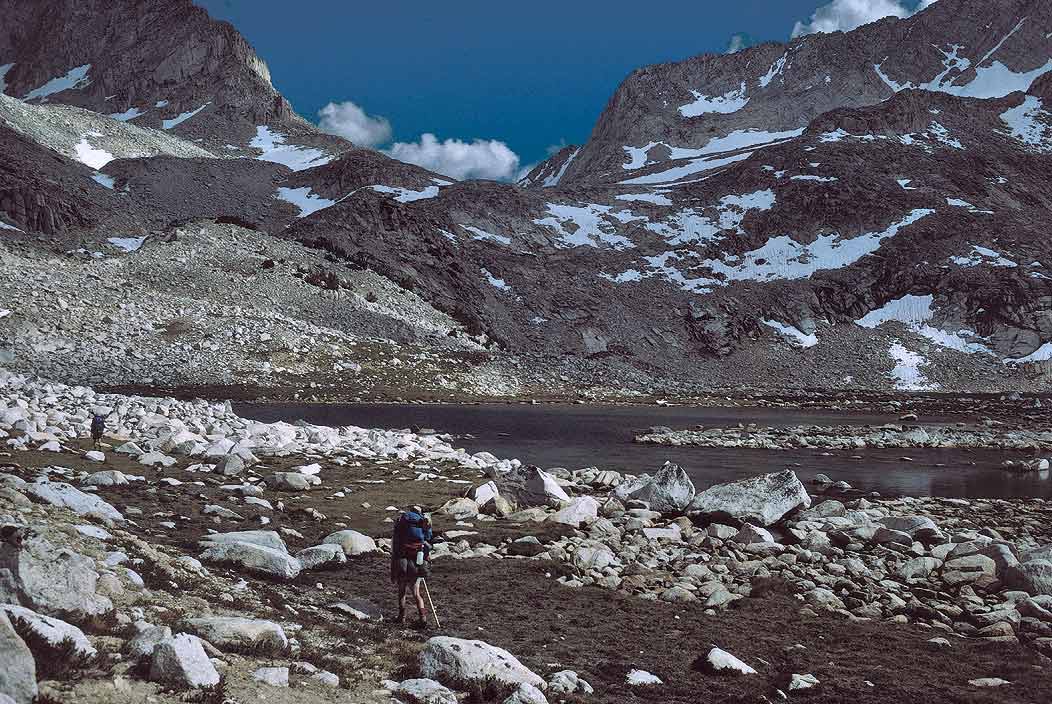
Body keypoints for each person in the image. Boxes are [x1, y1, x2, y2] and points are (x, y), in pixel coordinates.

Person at [390, 505, 433, 626]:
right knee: (416, 592)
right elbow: (428, 538)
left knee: (402, 590)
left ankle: (402, 616)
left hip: (402, 558)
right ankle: (422, 618)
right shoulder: (424, 521)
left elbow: (396, 538)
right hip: (417, 559)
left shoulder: (402, 520)